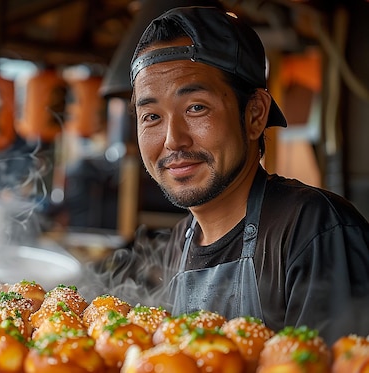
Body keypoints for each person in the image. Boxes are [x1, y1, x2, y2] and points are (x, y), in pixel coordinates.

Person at [129, 6, 369, 344]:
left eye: (196, 107)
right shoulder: (180, 242)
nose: (173, 140)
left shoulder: (314, 230)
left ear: (255, 114)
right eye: (151, 116)